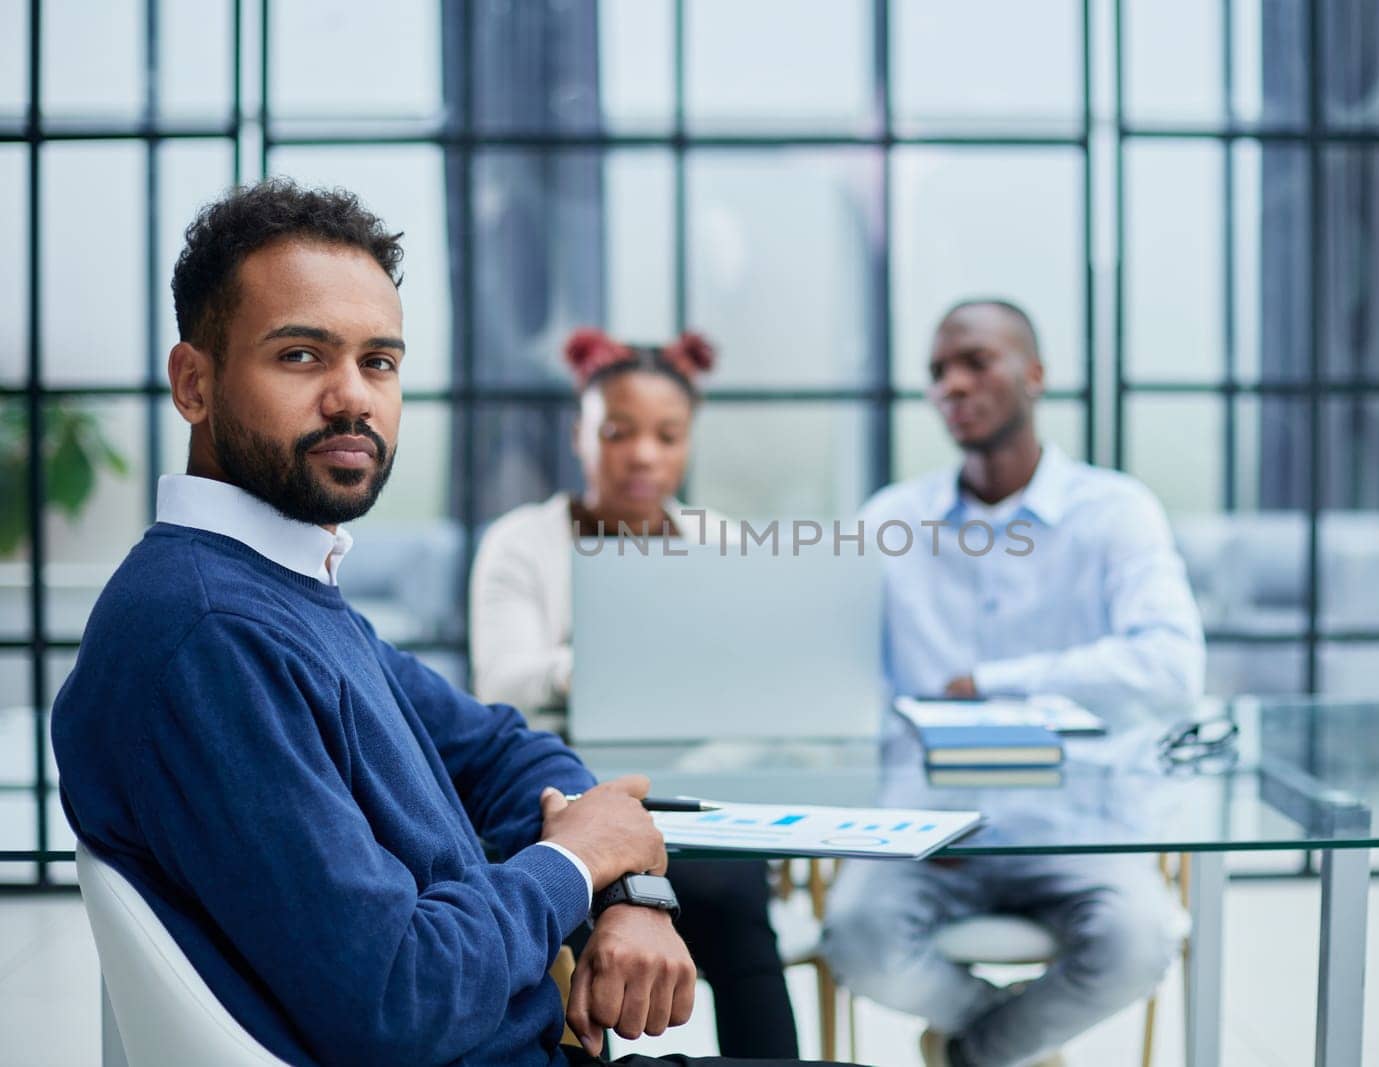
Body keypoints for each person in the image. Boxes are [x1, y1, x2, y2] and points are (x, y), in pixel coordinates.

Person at [51, 178, 842, 1067]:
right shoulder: (208, 634)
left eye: (379, 362)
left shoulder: (283, 590)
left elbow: (504, 747)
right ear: (194, 383)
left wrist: (628, 887)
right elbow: (400, 995)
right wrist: (574, 866)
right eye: (303, 356)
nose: (353, 398)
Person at [820, 299, 1206, 1067]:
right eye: (937, 372)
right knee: (857, 937)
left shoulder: (1116, 512)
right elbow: (842, 687)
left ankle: (971, 1053)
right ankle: (1009, 1044)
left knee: (1140, 940)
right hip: (931, 831)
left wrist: (995, 684)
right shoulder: (891, 520)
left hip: (1077, 823)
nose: (952, 385)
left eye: (975, 361)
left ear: (1034, 374)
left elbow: (1170, 666)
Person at [470, 328, 801, 1059]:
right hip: (565, 789)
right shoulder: (522, 542)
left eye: (667, 435)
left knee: (736, 894)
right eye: (619, 433)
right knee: (589, 893)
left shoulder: (718, 540)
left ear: (688, 441)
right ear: (580, 435)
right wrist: (618, 663)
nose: (644, 455)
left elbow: (757, 690)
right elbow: (505, 681)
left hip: (696, 790)